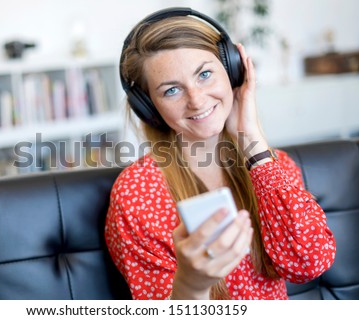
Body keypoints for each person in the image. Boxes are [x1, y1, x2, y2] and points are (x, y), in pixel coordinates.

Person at [104, 7, 336, 300]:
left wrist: (252, 141)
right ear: (148, 108)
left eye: (204, 74)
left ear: (233, 71)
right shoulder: (137, 194)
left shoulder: (273, 165)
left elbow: (309, 263)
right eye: (172, 90)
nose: (197, 100)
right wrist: (192, 284)